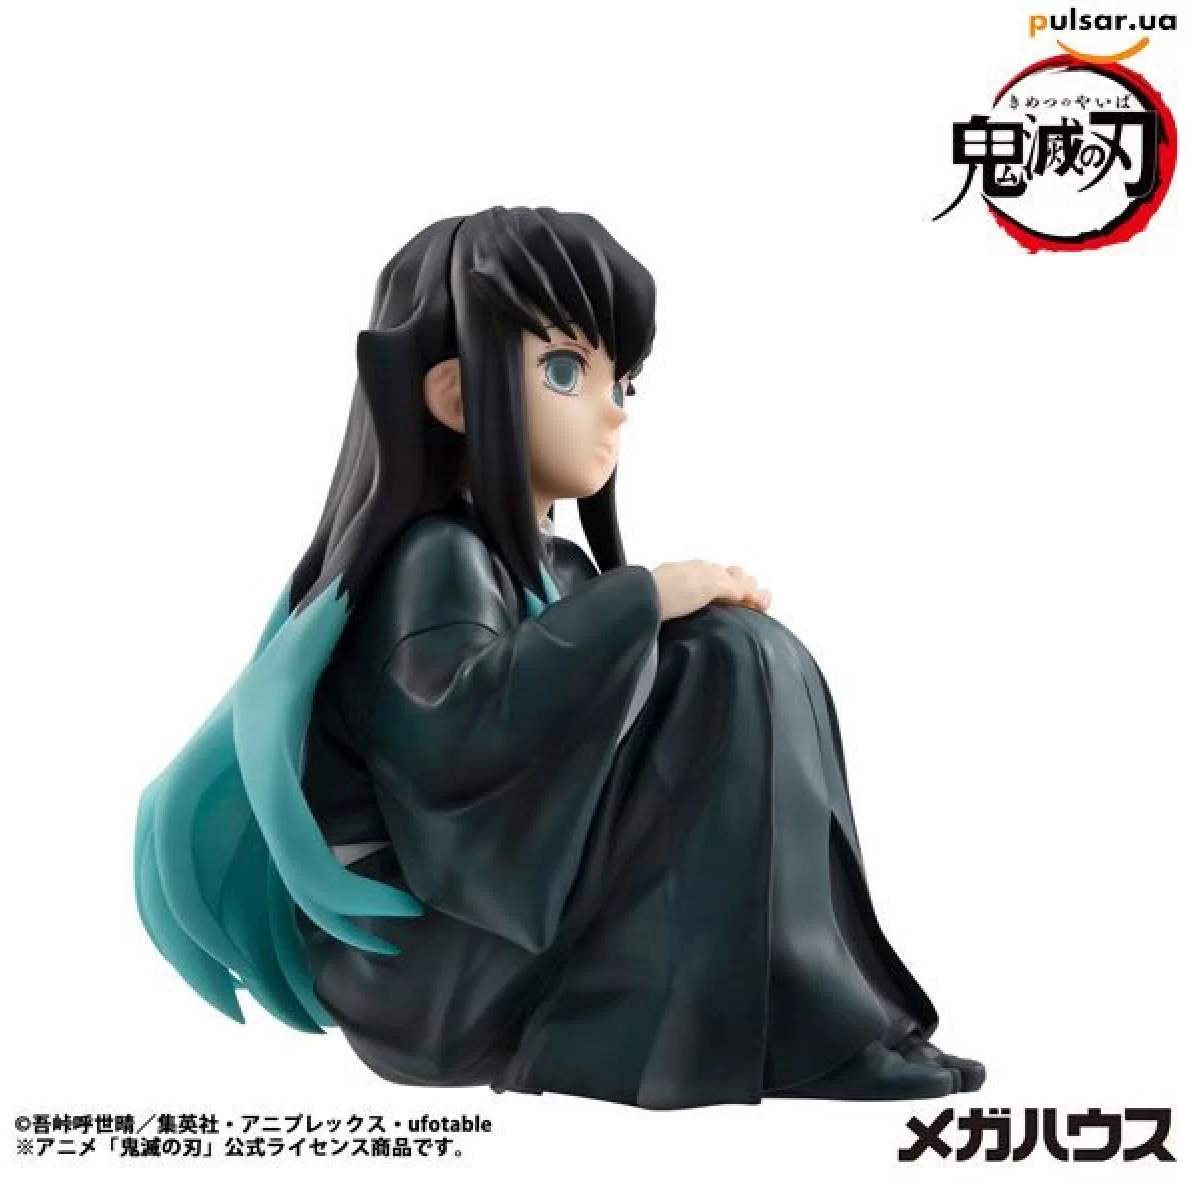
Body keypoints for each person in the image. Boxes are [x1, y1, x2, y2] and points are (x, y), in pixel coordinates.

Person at [135, 206, 985, 1110]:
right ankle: (790, 1027)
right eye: (567, 371)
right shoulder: (434, 560)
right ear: (457, 396)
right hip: (427, 960)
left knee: (732, 652)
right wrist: (641, 601)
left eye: (625, 381)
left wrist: (646, 621)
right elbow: (456, 746)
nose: (613, 410)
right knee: (725, 663)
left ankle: (798, 1014)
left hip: (495, 931)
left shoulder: (557, 566)